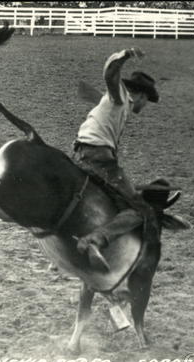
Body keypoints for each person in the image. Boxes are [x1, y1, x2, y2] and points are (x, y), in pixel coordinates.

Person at [72, 47, 160, 264]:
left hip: (81, 153)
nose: (145, 105)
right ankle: (96, 239)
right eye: (146, 100)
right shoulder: (120, 96)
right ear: (140, 95)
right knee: (140, 210)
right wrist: (125, 55)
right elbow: (110, 73)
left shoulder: (118, 103)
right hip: (99, 158)